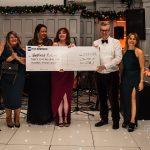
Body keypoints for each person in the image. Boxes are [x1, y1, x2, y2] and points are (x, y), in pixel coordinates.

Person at [93, 22, 122, 129]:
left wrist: (105, 66)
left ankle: (116, 120)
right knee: (101, 98)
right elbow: (92, 57)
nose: (104, 32)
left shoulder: (116, 42)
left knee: (113, 98)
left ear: (109, 31)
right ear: (100, 31)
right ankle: (104, 119)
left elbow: (118, 58)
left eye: (106, 30)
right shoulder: (95, 42)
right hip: (99, 75)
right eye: (102, 30)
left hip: (112, 74)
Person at [27, 24, 53, 124]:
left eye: (45, 31)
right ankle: (33, 118)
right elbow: (29, 56)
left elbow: (52, 55)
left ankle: (45, 117)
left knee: (45, 95)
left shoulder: (49, 42)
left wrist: (44, 49)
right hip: (34, 74)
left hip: (46, 73)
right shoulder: (31, 42)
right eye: (42, 31)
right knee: (35, 95)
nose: (44, 33)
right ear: (37, 32)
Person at [1, 31, 26, 128]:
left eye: (15, 37)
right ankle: (8, 118)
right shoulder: (6, 49)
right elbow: (4, 60)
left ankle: (17, 118)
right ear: (8, 39)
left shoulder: (20, 49)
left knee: (17, 98)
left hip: (19, 77)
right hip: (7, 78)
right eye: (11, 37)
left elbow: (25, 61)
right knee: (8, 98)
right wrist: (12, 57)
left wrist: (18, 58)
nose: (13, 39)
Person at [121, 33, 144, 132]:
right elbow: (121, 65)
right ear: (127, 40)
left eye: (134, 39)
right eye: (130, 39)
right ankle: (126, 119)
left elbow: (142, 68)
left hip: (135, 77)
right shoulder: (124, 51)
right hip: (125, 77)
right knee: (126, 99)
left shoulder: (139, 52)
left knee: (133, 99)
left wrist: (141, 81)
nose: (132, 41)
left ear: (136, 41)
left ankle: (132, 121)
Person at [51, 27, 74, 127]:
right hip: (57, 73)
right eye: (60, 33)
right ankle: (60, 118)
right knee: (59, 97)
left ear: (67, 35)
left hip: (68, 73)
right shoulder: (54, 44)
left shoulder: (71, 45)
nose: (61, 34)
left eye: (64, 33)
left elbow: (75, 59)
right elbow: (51, 58)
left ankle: (66, 118)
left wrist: (74, 48)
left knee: (66, 97)